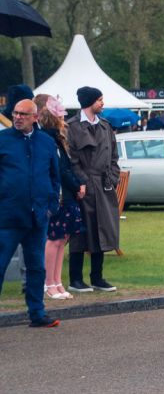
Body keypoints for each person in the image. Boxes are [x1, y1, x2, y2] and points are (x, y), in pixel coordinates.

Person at [0, 99, 62, 327]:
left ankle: (37, 313)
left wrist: (52, 205)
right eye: (15, 113)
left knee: (37, 267)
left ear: (35, 117)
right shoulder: (3, 140)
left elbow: (55, 177)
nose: (17, 117)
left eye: (23, 114)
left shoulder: (46, 142)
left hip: (38, 217)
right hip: (7, 217)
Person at [65, 87, 120, 292]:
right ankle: (75, 279)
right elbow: (72, 160)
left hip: (104, 186)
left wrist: (113, 178)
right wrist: (84, 182)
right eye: (99, 100)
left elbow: (114, 156)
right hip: (83, 187)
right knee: (80, 234)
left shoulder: (106, 126)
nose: (102, 103)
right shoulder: (72, 127)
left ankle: (97, 278)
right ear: (90, 102)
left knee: (103, 230)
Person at [39, 104, 83, 301]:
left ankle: (56, 281)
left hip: (66, 194)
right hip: (59, 194)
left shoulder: (56, 138)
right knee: (55, 238)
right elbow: (61, 169)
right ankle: (49, 282)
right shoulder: (50, 139)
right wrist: (76, 185)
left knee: (62, 239)